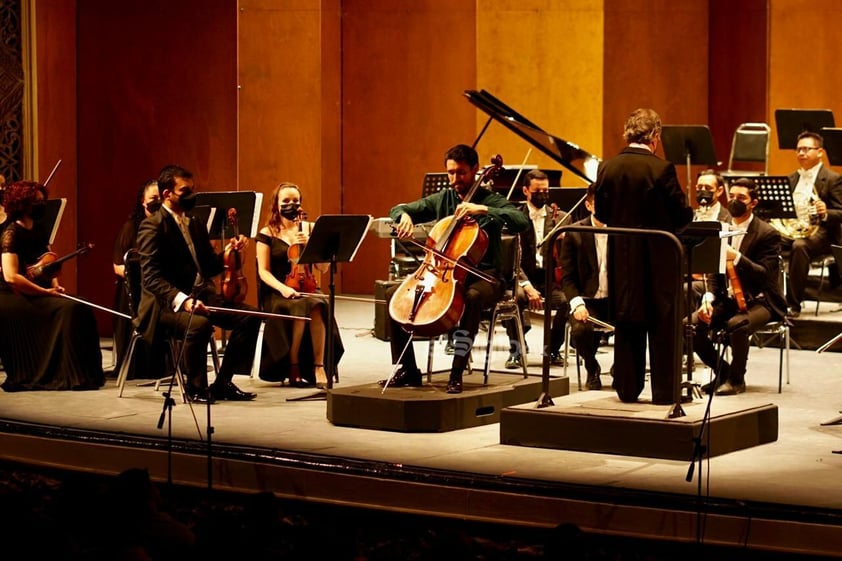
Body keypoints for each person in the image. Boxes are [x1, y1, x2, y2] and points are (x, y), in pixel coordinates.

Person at [382, 144, 529, 394]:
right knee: (394, 298)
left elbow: (521, 221)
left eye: (460, 173)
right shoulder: (444, 199)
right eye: (450, 173)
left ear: (474, 170)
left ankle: (457, 371)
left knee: (471, 298)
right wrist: (403, 216)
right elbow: (399, 208)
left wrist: (483, 209)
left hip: (486, 277)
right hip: (442, 273)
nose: (454, 179)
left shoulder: (490, 200)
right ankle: (407, 369)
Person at [135, 164, 260, 403]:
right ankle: (195, 388)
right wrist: (183, 301)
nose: (191, 195)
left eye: (192, 189)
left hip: (200, 295)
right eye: (185, 191)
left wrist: (229, 251)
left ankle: (223, 382)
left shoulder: (195, 223)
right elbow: (151, 277)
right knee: (199, 325)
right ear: (166, 195)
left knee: (250, 317)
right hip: (163, 306)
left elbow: (210, 267)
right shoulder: (152, 226)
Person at [593, 108, 692, 405]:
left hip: (622, 256)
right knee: (663, 323)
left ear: (628, 134)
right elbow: (680, 214)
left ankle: (627, 388)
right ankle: (664, 393)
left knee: (627, 319)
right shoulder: (661, 169)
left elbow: (601, 213)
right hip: (658, 257)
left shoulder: (607, 167)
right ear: (655, 137)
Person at [0, 180, 105, 391]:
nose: (42, 205)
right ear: (23, 203)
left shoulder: (38, 229)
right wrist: (45, 292)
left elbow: (49, 263)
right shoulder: (10, 232)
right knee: (69, 309)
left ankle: (83, 376)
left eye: (43, 201)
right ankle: (63, 375)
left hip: (35, 290)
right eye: (37, 201)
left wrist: (55, 286)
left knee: (81, 305)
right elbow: (12, 276)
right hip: (12, 296)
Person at [692, 178, 787, 395]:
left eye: (741, 198)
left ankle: (737, 380)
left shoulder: (767, 233)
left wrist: (737, 257)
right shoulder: (721, 229)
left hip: (762, 300)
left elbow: (764, 275)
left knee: (737, 324)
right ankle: (723, 372)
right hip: (729, 298)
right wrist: (708, 299)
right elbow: (715, 273)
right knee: (690, 325)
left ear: (753, 203)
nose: (735, 201)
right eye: (732, 196)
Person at [255, 182, 344, 387]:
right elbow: (263, 272)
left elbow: (322, 269)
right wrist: (284, 288)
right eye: (286, 201)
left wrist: (309, 244)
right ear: (276, 205)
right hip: (278, 290)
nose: (291, 204)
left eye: (295, 201)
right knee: (301, 307)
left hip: (308, 287)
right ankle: (293, 364)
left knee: (317, 305)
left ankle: (318, 366)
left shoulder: (311, 228)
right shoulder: (267, 233)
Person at [502, 169, 569, 369]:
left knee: (566, 302)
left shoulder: (562, 218)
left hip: (550, 278)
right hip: (522, 277)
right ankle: (516, 350)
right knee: (516, 297)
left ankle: (553, 349)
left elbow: (568, 257)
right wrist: (527, 284)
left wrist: (564, 242)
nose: (543, 195)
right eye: (538, 191)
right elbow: (511, 258)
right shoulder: (514, 218)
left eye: (546, 191)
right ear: (525, 191)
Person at [783, 131, 842, 317]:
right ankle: (765, 300)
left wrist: (825, 213)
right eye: (799, 149)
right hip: (792, 230)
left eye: (807, 149)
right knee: (763, 238)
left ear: (820, 152)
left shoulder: (833, 179)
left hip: (822, 234)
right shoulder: (791, 178)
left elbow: (840, 212)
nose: (801, 153)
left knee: (799, 247)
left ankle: (793, 304)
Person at [112, 179, 164, 378]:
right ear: (143, 201)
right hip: (134, 291)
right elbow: (118, 266)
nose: (157, 202)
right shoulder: (131, 227)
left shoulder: (166, 226)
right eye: (153, 198)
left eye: (160, 198)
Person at [560, 182, 610, 390]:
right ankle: (592, 367)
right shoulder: (574, 232)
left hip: (615, 300)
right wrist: (576, 303)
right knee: (580, 331)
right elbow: (567, 278)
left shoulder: (623, 230)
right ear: (589, 206)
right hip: (587, 300)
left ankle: (623, 367)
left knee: (639, 323)